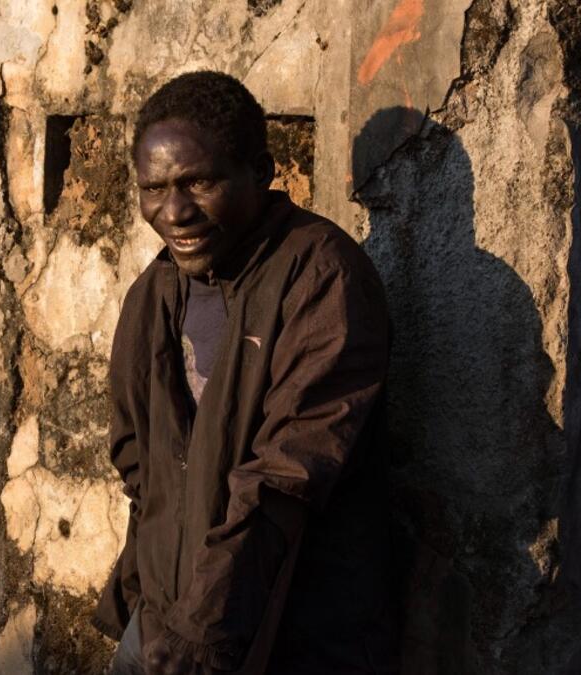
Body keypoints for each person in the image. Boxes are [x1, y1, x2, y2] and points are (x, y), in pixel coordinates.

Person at [91, 71, 400, 674]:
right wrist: (150, 606)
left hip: (289, 633)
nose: (174, 212)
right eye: (153, 189)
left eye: (198, 182)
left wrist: (201, 632)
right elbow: (138, 463)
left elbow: (285, 479)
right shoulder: (153, 293)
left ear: (260, 171)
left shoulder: (323, 278)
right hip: (165, 625)